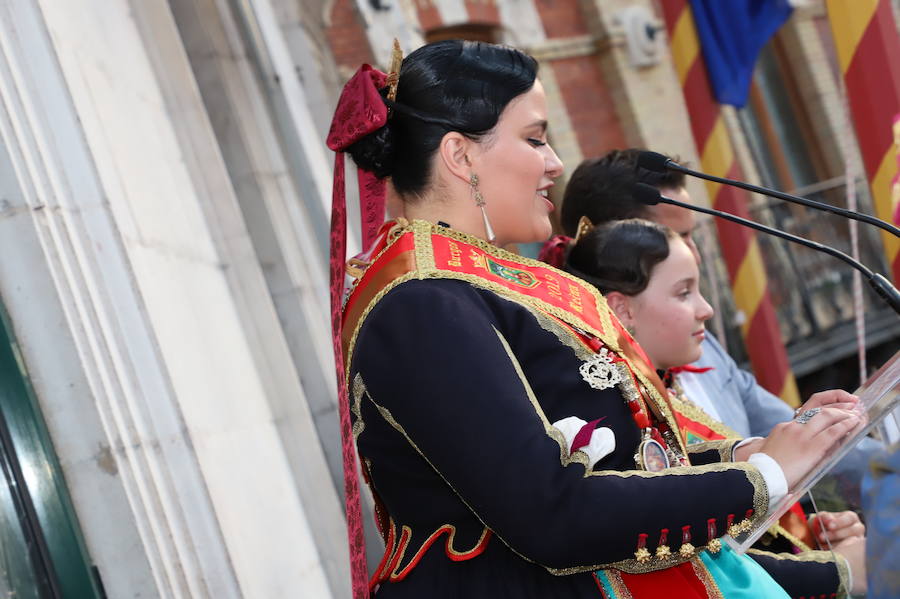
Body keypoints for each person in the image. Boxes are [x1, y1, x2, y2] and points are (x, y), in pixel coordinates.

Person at [333, 39, 862, 598]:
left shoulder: (469, 283)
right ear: (461, 155)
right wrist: (764, 477)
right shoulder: (422, 304)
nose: (555, 162)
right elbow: (553, 513)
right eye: (535, 138)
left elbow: (618, 450)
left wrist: (753, 452)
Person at [564, 218, 868, 559]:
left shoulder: (657, 388)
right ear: (622, 308)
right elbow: (685, 548)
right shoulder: (611, 416)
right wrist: (835, 571)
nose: (706, 309)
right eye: (683, 293)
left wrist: (805, 536)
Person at [557, 149, 795, 439]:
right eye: (675, 239)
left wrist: (816, 421)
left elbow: (779, 428)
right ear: (614, 246)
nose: (694, 255)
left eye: (690, 236)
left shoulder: (699, 342)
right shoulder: (592, 391)